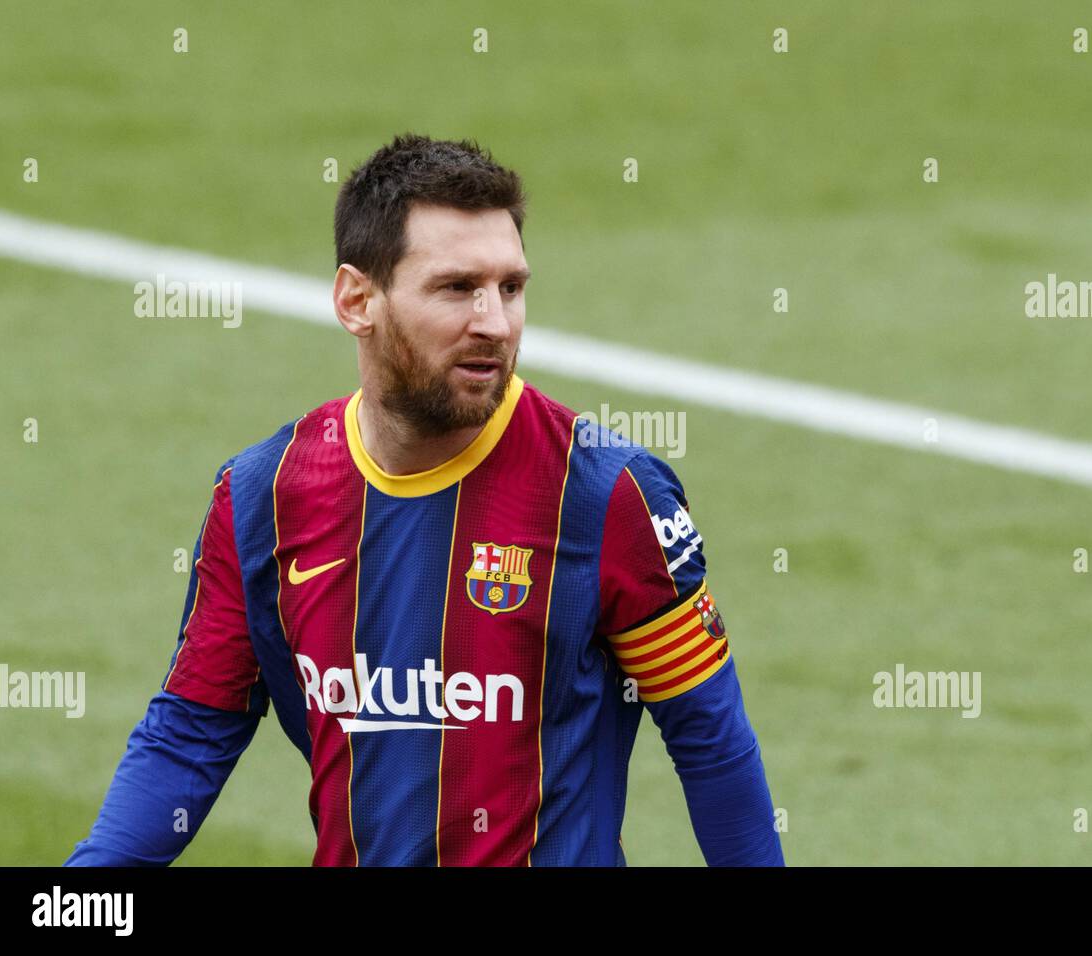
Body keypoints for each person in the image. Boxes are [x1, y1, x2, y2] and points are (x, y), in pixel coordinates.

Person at [66, 133, 783, 866]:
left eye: (510, 287)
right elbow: (191, 731)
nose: (495, 324)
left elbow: (711, 743)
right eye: (455, 288)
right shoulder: (262, 497)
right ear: (357, 300)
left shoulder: (605, 493)